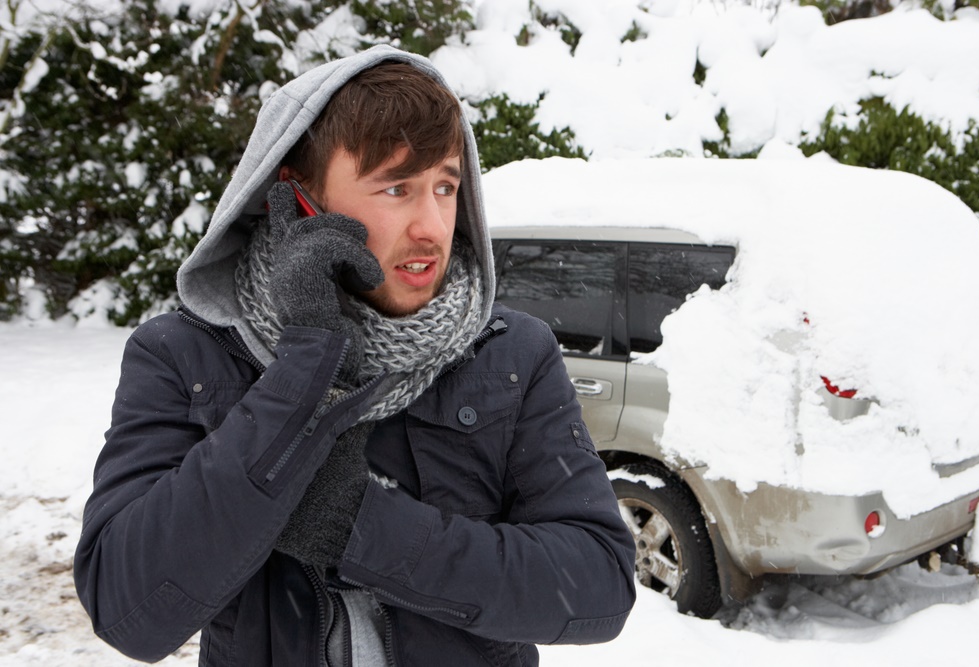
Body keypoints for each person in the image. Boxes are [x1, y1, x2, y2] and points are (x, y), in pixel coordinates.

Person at [73, 45, 636, 666]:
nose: (432, 227)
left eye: (445, 187)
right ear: (297, 196)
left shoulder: (508, 352)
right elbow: (126, 607)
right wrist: (305, 370)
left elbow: (598, 584)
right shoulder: (185, 354)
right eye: (396, 187)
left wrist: (365, 530)